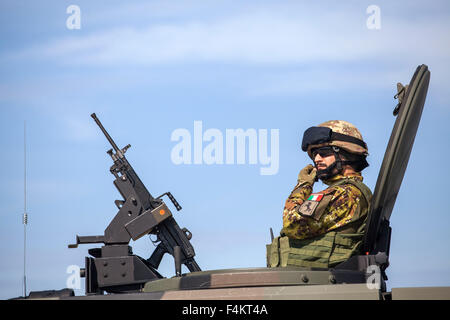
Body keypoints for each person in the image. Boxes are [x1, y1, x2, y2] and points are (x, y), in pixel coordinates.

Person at [267, 120, 373, 269]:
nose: (317, 159)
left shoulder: (344, 194)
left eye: (323, 153)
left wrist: (303, 185)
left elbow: (293, 224)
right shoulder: (350, 192)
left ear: (344, 153)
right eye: (314, 154)